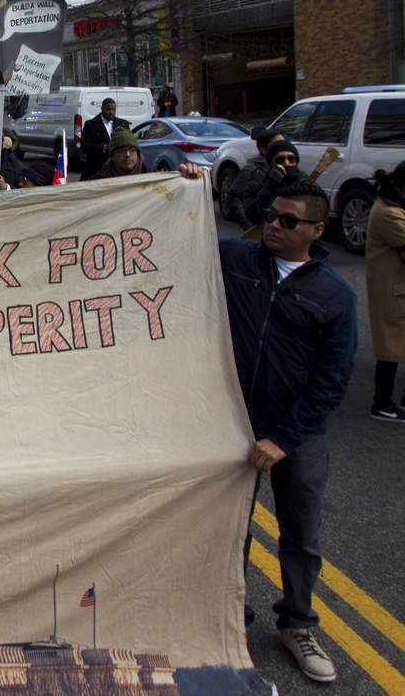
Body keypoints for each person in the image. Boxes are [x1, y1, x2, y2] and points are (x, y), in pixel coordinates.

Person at [185, 168, 355, 684]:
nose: (274, 227)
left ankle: (298, 623)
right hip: (234, 423)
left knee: (299, 532)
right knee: (228, 528)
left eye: (288, 221)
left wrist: (282, 438)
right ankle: (230, 615)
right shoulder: (238, 261)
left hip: (295, 435)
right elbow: (179, 234)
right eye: (270, 217)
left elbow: (331, 381)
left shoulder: (335, 296)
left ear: (317, 231)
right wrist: (186, 187)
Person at [365, 160, 405, 421]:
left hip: (396, 287)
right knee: (391, 348)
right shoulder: (389, 213)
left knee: (395, 344)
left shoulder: (394, 204)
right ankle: (382, 404)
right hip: (393, 290)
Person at [224, 128, 286, 229]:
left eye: (284, 143)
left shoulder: (288, 167)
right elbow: (233, 197)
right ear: (263, 149)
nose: (282, 147)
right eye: (276, 144)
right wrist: (248, 224)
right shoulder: (253, 170)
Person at [243, 140, 306, 226]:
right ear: (271, 163)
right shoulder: (258, 181)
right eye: (280, 160)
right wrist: (271, 184)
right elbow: (253, 215)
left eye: (291, 159)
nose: (286, 163)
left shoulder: (304, 181)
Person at [80, 99, 129, 181]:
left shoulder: (123, 124)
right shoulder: (90, 124)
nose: (111, 112)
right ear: (102, 109)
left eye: (113, 109)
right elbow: (84, 147)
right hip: (96, 168)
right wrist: (104, 147)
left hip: (117, 169)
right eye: (108, 109)